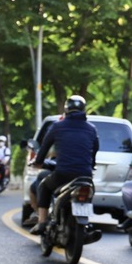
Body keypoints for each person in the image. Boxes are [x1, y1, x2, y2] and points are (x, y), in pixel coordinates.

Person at [30, 95, 99, 235]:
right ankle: (86, 224)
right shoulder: (91, 129)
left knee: (44, 185)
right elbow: (94, 151)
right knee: (90, 192)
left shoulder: (57, 126)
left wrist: (38, 163)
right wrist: (90, 165)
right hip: (85, 174)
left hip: (62, 174)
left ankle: (42, 222)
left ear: (66, 109)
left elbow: (43, 148)